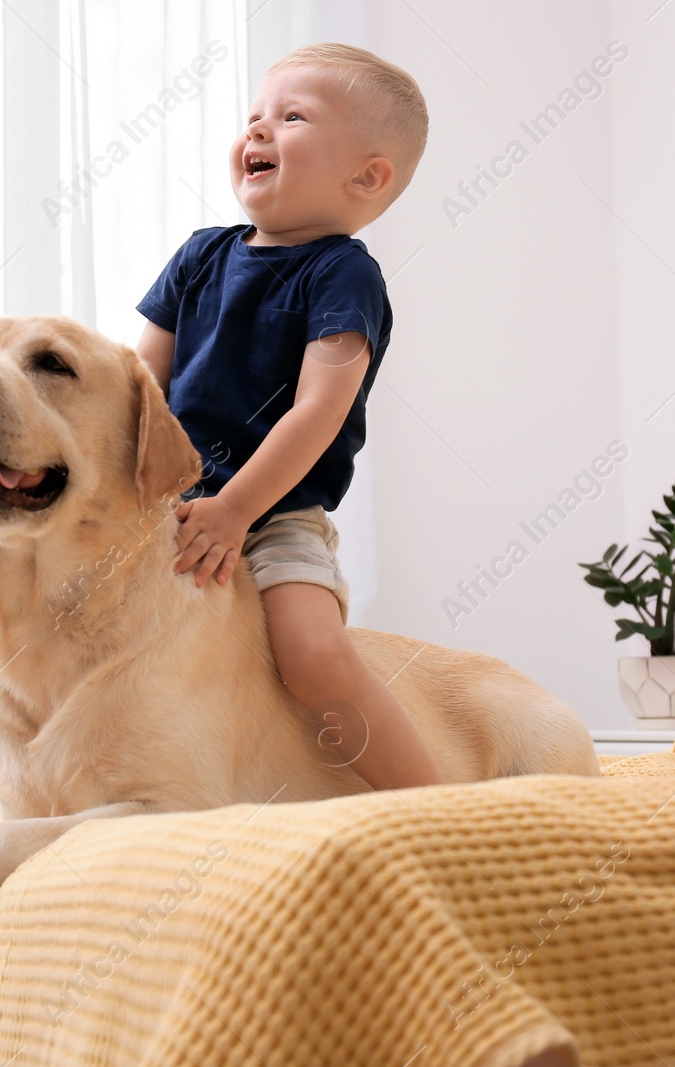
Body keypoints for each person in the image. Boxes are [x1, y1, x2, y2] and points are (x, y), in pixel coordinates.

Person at [134, 43, 440, 790]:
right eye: (254, 118)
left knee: (313, 655)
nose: (259, 131)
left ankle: (434, 801)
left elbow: (316, 414)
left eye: (292, 117)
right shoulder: (199, 256)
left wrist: (237, 508)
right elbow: (138, 385)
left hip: (274, 516)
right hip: (163, 508)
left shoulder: (343, 272)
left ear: (366, 176)